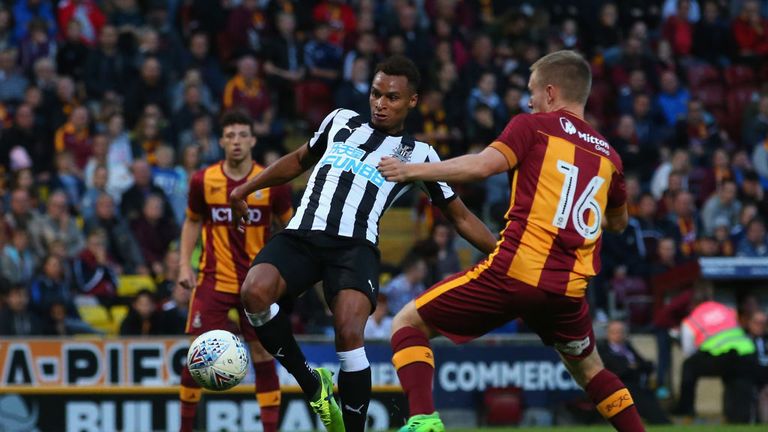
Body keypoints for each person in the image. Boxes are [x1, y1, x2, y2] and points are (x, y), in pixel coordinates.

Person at [378, 50, 645, 432]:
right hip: (568, 291)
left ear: (550, 92)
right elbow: (618, 222)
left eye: (532, 92)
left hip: (516, 273)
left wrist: (411, 170)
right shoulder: (610, 157)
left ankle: (423, 420)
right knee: (590, 369)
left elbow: (482, 166)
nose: (529, 101)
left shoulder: (533, 127)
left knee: (407, 323)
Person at [229, 55, 497, 432]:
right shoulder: (340, 120)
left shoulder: (420, 155)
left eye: (392, 97)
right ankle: (312, 383)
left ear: (412, 101)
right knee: (253, 293)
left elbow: (461, 217)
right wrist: (246, 188)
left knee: (349, 332)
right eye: (375, 93)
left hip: (354, 248)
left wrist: (505, 254)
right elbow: (299, 159)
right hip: (302, 234)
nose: (380, 103)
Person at [177, 110, 294, 432]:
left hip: (257, 285)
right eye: (230, 136)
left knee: (262, 354)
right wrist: (184, 264)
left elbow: (291, 227)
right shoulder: (203, 180)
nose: (237, 141)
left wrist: (287, 271)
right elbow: (192, 221)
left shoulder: (272, 182)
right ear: (221, 142)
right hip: (213, 280)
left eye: (243, 135)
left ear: (253, 140)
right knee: (198, 354)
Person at [674, 286, 756, 422]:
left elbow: (688, 351)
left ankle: (685, 409)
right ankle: (740, 417)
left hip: (719, 355)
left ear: (692, 304)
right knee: (737, 381)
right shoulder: (725, 309)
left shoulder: (691, 319)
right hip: (746, 351)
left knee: (688, 366)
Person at [598, 321, 671, 424]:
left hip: (636, 383)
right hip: (619, 386)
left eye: (621, 332)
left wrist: (635, 367)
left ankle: (661, 421)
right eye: (614, 332)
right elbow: (618, 369)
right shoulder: (603, 349)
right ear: (608, 334)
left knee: (649, 394)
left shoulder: (628, 348)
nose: (618, 335)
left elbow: (645, 365)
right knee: (638, 396)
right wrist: (633, 367)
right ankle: (659, 421)